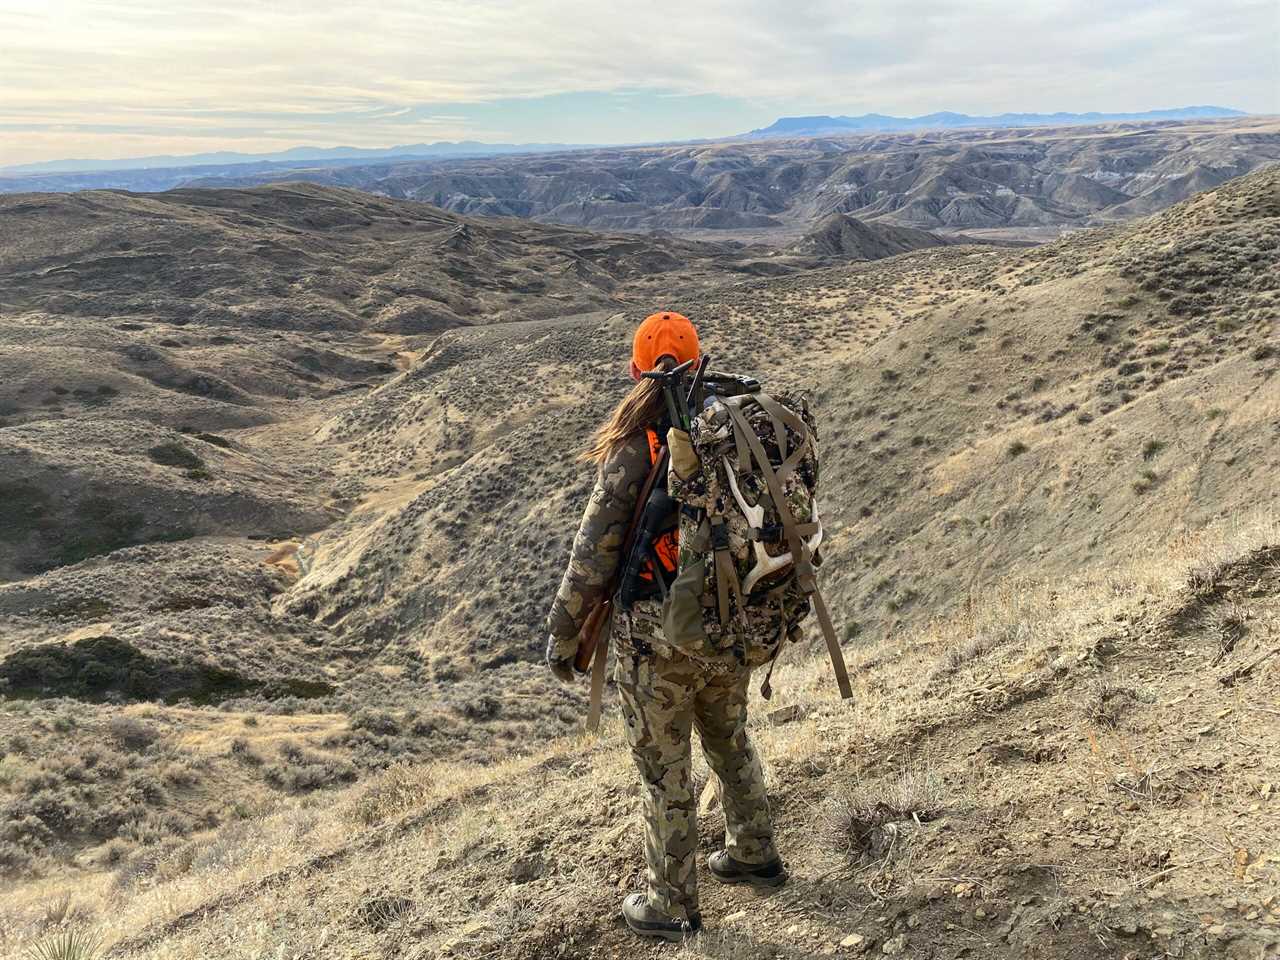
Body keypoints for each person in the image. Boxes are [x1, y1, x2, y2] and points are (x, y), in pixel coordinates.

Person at [545, 311, 788, 943]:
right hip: (730, 619)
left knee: (664, 769)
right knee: (730, 738)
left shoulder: (634, 447)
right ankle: (754, 851)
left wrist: (564, 636)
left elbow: (592, 553)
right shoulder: (729, 432)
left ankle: (672, 903)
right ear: (700, 359)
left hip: (656, 639)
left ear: (636, 370)